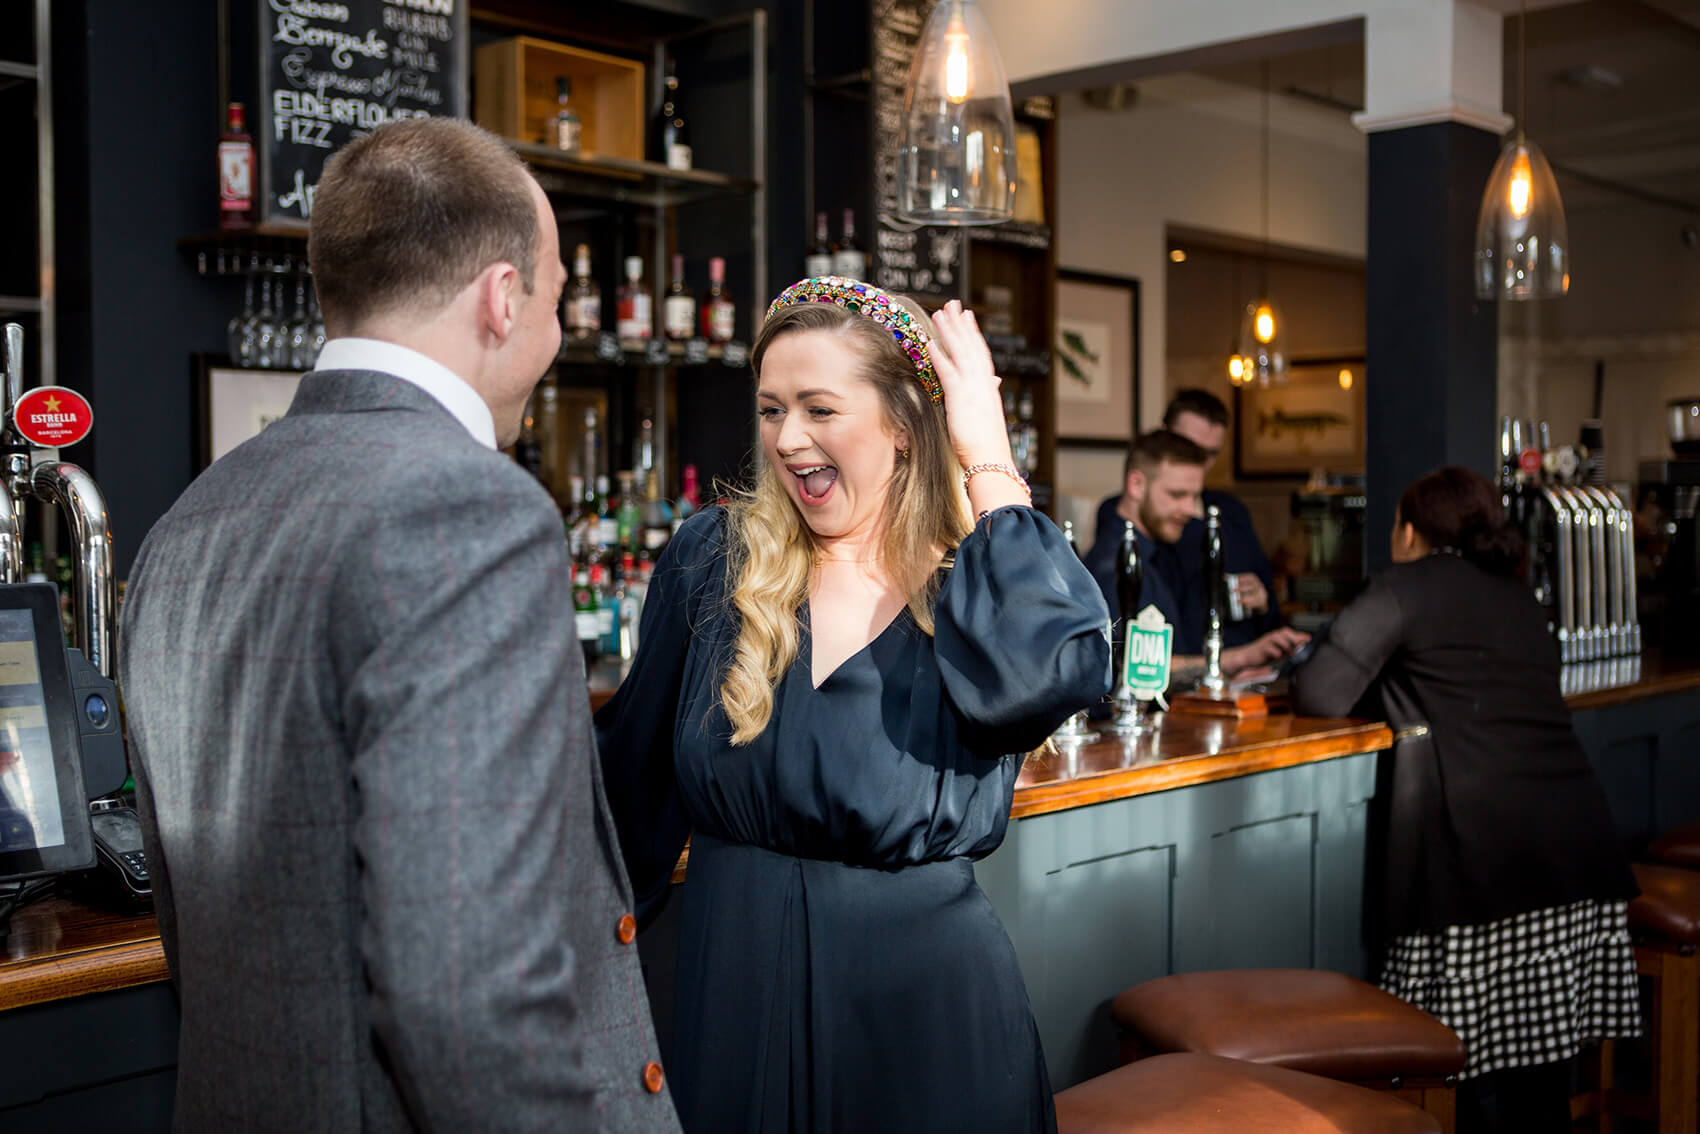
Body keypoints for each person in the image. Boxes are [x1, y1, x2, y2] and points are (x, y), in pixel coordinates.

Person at [119, 119, 680, 1133]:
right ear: (503, 299)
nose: (553, 338)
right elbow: (467, 995)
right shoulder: (471, 510)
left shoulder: (185, 526)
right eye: (553, 300)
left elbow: (190, 926)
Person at [596, 277, 1110, 1132]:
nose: (788, 438)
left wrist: (986, 450)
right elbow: (627, 790)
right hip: (732, 1003)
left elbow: (1055, 675)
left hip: (925, 1022)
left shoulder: (971, 588)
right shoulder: (712, 563)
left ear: (906, 428)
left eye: (819, 409)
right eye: (770, 409)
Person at [1291, 467, 1640, 1133]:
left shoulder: (1402, 589)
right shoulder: (1519, 597)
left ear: (1411, 531)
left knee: (1455, 1071)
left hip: (1478, 860)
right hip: (1573, 852)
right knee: (1536, 1082)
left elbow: (1317, 694)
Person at [1085, 429, 1305, 685]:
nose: (1190, 510)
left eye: (1195, 496)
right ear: (1136, 485)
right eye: (1177, 495)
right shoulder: (1115, 565)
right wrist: (1241, 658)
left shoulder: (1161, 552)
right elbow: (1137, 669)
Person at [1094, 389, 1280, 646]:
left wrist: (1263, 602)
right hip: (1191, 673)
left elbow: (1272, 610)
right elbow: (1140, 659)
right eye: (1187, 446)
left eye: (1211, 454)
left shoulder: (1232, 513)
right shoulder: (1126, 528)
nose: (1201, 462)